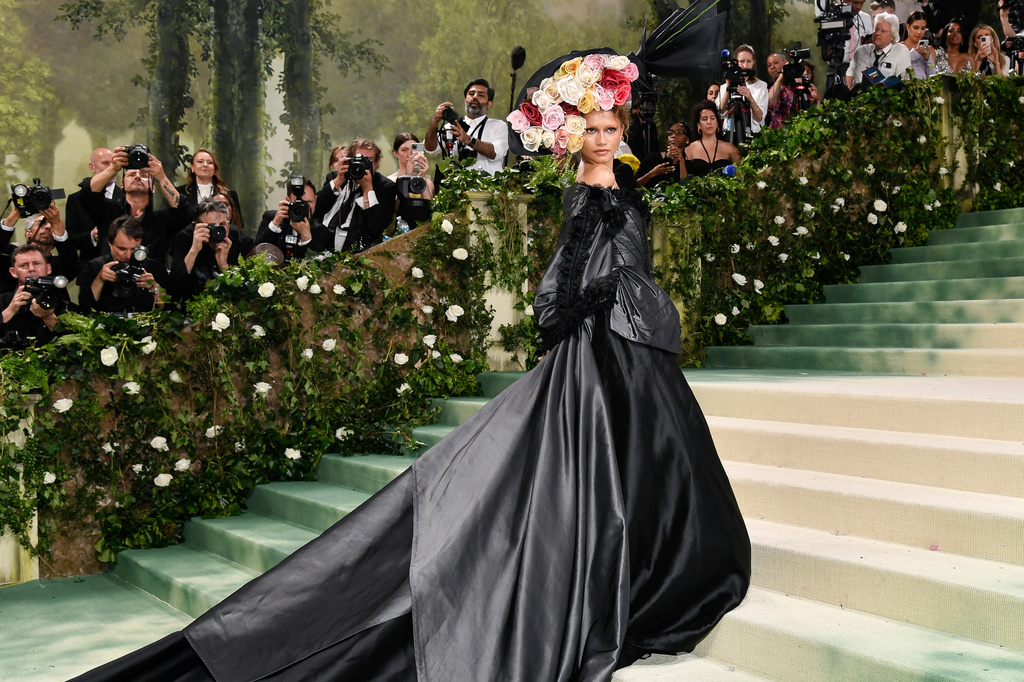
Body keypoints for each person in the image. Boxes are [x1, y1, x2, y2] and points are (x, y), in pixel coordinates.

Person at [72, 51, 750, 682]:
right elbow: (572, 277)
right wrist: (590, 296)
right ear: (578, 136)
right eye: (592, 128)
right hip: (598, 345)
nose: (602, 138)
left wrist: (606, 294)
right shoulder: (583, 193)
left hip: (627, 342)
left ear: (623, 131)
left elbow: (625, 267)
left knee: (645, 455)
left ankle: (647, 555)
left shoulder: (623, 193)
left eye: (611, 128)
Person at [75, 146, 192, 264]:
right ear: (122, 186)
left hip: (152, 279)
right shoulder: (108, 211)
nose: (137, 176)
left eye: (144, 175)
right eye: (131, 174)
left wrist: (161, 177)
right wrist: (114, 168)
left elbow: (183, 212)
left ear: (153, 187)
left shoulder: (161, 220)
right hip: (111, 277)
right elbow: (87, 194)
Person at [313, 138, 397, 253]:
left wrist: (368, 189)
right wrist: (338, 181)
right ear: (349, 159)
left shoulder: (385, 187)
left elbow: (377, 227)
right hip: (323, 247)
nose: (361, 164)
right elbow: (317, 210)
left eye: (368, 160)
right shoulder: (335, 178)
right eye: (357, 159)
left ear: (376, 163)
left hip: (358, 254)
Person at [168, 199, 255, 303]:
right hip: (193, 304)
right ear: (197, 225)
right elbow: (174, 288)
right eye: (212, 226)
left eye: (223, 224)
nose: (218, 230)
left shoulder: (241, 240)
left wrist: (224, 267)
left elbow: (248, 292)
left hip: (230, 305)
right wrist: (194, 250)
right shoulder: (185, 238)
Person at [78, 215, 168, 315]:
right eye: (122, 249)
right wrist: (99, 280)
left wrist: (154, 287)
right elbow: (85, 308)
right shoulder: (94, 267)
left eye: (134, 249)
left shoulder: (154, 267)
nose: (128, 255)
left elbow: (168, 309)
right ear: (110, 244)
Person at [424, 78, 510, 176]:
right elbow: (430, 149)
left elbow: (495, 153)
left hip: (488, 189)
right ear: (465, 100)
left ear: (489, 104)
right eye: (471, 94)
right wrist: (435, 121)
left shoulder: (498, 125)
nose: (475, 97)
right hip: (457, 189)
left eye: (481, 95)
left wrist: (469, 140)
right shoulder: (451, 126)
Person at [0, 245, 66, 349]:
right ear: (13, 272)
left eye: (37, 264)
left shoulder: (62, 305)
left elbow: (73, 347)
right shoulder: (2, 301)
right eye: (24, 265)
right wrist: (10, 310)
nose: (31, 269)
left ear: (48, 268)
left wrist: (48, 318)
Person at [254, 176, 322, 262]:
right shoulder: (271, 218)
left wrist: (306, 238)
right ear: (287, 201)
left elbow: (317, 266)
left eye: (308, 202)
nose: (303, 207)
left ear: (315, 200)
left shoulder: (321, 230)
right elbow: (256, 254)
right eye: (297, 203)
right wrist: (275, 225)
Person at [173, 149, 243, 231]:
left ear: (214, 168)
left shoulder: (230, 194)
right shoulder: (180, 192)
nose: (205, 165)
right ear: (192, 167)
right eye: (200, 161)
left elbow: (237, 223)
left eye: (210, 162)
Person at [64, 148, 125, 236]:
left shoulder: (126, 197)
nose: (111, 168)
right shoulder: (75, 200)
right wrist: (91, 237)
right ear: (92, 167)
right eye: (105, 163)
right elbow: (72, 238)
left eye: (114, 163)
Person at [846, 13, 913, 89]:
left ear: (892, 36)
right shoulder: (861, 51)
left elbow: (904, 82)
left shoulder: (901, 51)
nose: (877, 33)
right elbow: (850, 74)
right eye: (876, 29)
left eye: (883, 31)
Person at [717, 44, 768, 138]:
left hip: (753, 135)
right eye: (741, 61)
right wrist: (729, 87)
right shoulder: (724, 87)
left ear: (753, 63)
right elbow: (720, 113)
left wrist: (750, 98)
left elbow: (759, 118)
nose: (745, 65)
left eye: (748, 61)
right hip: (729, 134)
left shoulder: (761, 86)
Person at [685, 100, 741, 178]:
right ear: (698, 125)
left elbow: (741, 175)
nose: (709, 122)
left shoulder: (730, 148)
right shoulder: (690, 149)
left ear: (717, 123)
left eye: (712, 118)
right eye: (704, 119)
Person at [635, 122, 689, 187]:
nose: (673, 136)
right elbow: (636, 184)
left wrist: (681, 161)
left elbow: (686, 186)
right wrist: (652, 173)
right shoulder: (652, 158)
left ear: (687, 139)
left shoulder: (689, 162)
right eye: (670, 133)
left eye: (679, 133)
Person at [388, 133, 434, 200]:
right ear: (396, 153)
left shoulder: (428, 183)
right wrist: (407, 178)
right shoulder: (390, 182)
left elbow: (428, 207)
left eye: (414, 149)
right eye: (404, 150)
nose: (410, 154)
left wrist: (423, 177)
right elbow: (395, 208)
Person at [902, 10, 938, 78]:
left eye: (923, 28)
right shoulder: (899, 47)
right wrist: (914, 53)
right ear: (908, 27)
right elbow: (899, 69)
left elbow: (933, 76)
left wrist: (928, 60)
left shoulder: (930, 50)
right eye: (916, 28)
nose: (919, 32)